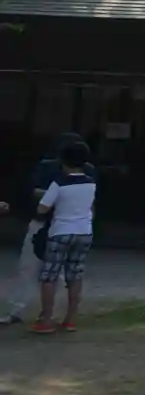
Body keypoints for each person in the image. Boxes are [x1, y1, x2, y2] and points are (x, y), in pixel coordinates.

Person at [6, 133, 91, 326]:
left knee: (48, 273)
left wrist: (57, 196)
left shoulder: (62, 177)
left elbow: (40, 203)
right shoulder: (78, 173)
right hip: (72, 228)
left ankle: (46, 315)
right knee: (65, 273)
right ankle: (61, 316)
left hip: (55, 225)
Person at [32, 139, 99, 334]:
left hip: (61, 231)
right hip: (84, 231)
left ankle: (46, 319)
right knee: (75, 275)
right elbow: (91, 209)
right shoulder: (90, 182)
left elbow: (42, 208)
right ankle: (70, 320)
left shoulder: (59, 183)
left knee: (49, 276)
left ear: (62, 160)